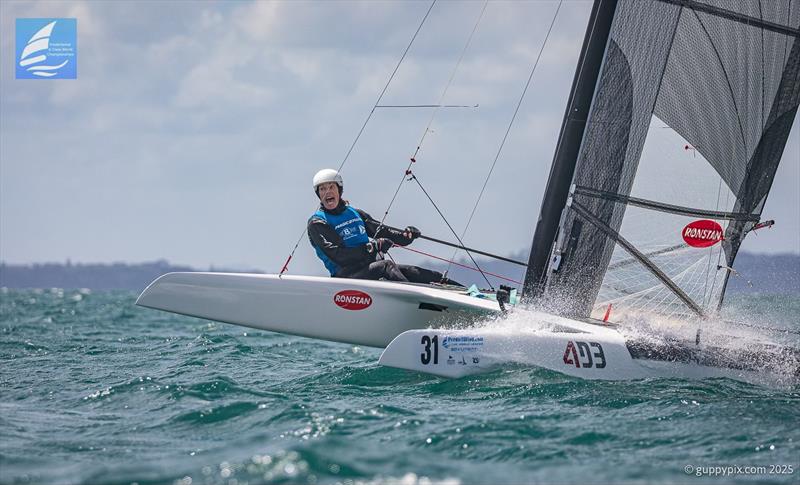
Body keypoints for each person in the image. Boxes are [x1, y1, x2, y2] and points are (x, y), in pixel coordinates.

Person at [307, 168, 462, 285]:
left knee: (420, 273)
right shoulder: (318, 223)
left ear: (339, 190)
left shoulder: (355, 213)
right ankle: (415, 299)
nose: (327, 192)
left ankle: (468, 294)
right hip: (346, 277)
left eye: (331, 187)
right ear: (318, 194)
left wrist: (406, 235)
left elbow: (384, 232)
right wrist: (372, 247)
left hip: (370, 268)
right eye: (322, 189)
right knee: (387, 266)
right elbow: (339, 256)